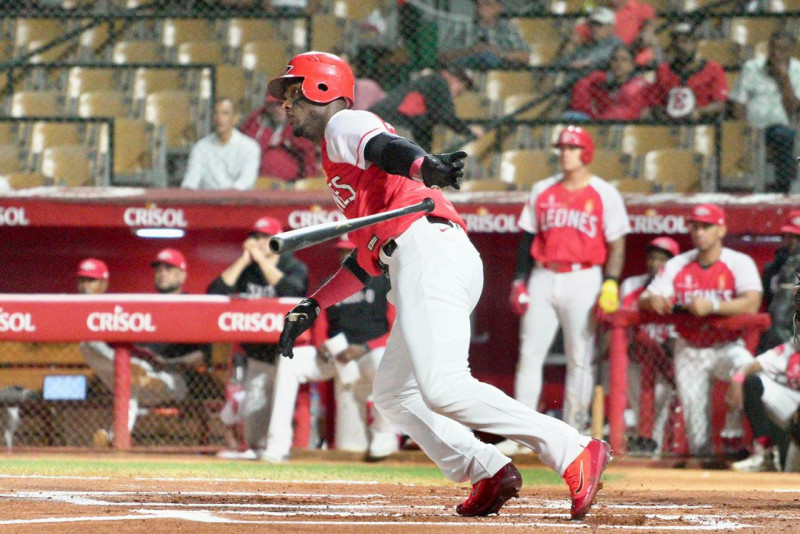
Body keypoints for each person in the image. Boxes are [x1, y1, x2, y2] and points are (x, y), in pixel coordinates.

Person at [269, 51, 610, 520]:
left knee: (444, 387)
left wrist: (421, 166)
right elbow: (366, 261)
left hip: (428, 250)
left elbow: (387, 147)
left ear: (323, 90)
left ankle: (572, 448)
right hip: (418, 254)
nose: (286, 104)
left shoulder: (343, 124)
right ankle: (485, 468)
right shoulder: (346, 171)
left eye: (294, 93)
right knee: (395, 394)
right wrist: (313, 303)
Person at [500, 125, 628, 446]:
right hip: (543, 275)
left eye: (572, 148)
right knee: (529, 355)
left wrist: (610, 283)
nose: (565, 154)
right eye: (562, 148)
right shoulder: (542, 189)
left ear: (587, 153)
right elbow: (527, 238)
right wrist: (519, 279)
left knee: (580, 357)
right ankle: (522, 435)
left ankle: (574, 434)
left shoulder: (604, 193)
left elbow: (617, 243)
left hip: (583, 276)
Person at [639, 204, 763, 458]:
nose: (699, 232)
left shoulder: (738, 262)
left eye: (706, 227)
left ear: (721, 230)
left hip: (728, 345)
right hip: (689, 347)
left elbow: (752, 301)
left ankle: (752, 444)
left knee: (751, 374)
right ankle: (706, 466)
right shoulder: (678, 264)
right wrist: (653, 300)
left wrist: (713, 306)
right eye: (695, 227)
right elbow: (645, 298)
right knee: (697, 434)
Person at [261, 237, 398, 463]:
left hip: (369, 354)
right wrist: (322, 346)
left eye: (351, 251)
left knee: (383, 359)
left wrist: (365, 347)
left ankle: (383, 435)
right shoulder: (331, 283)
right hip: (338, 356)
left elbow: (395, 330)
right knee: (290, 362)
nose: (347, 257)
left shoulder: (385, 282)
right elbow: (320, 326)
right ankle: (277, 444)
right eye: (343, 253)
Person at [81, 250, 212, 447]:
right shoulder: (146, 306)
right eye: (159, 269)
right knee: (88, 344)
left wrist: (168, 364)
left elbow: (203, 356)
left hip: (172, 377)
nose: (162, 273)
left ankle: (114, 437)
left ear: (183, 275)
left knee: (128, 385)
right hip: (139, 371)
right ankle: (116, 441)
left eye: (169, 268)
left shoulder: (194, 307)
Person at [209, 216, 311, 460]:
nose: (259, 242)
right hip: (257, 354)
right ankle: (257, 449)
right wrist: (243, 260)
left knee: (285, 405)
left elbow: (294, 291)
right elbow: (214, 293)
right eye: (256, 237)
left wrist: (264, 261)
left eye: (266, 237)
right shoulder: (248, 269)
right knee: (254, 424)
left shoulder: (293, 266)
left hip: (288, 354)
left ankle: (290, 449)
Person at [618, 237, 680, 454]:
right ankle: (646, 456)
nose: (655, 264)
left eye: (662, 260)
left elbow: (675, 339)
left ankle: (654, 457)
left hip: (664, 362)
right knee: (639, 411)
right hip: (636, 360)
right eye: (652, 258)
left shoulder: (680, 288)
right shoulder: (630, 285)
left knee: (659, 416)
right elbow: (622, 327)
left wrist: (666, 361)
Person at [730, 31, 800, 193]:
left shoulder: (798, 70)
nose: (776, 54)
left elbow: (793, 109)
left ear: (790, 51)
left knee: (783, 135)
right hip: (751, 128)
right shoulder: (751, 67)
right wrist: (742, 129)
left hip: (780, 128)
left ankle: (782, 191)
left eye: (782, 50)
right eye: (773, 48)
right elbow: (738, 105)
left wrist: (784, 79)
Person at [726, 331, 800, 472]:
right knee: (752, 380)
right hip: (793, 412)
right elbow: (756, 364)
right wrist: (737, 379)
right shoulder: (795, 345)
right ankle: (764, 452)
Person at [369, 67, 483, 153]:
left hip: (383, 123)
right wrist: (469, 131)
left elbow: (424, 124)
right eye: (462, 84)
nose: (461, 91)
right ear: (451, 77)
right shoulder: (439, 82)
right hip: (389, 124)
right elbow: (447, 116)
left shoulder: (431, 83)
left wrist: (427, 153)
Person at [642, 23, 728, 122]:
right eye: (677, 42)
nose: (680, 46)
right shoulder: (663, 69)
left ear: (696, 44)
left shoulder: (713, 69)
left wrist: (700, 112)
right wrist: (665, 116)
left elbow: (720, 104)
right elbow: (655, 103)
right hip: (670, 123)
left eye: (685, 41)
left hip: (701, 122)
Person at [180, 98, 261, 190]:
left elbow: (246, 181)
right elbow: (191, 180)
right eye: (216, 113)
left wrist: (227, 195)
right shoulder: (201, 147)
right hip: (207, 198)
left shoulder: (250, 147)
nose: (219, 118)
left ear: (235, 119)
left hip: (237, 198)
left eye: (225, 113)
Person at [239, 94, 320, 182]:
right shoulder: (255, 120)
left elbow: (308, 157)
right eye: (272, 105)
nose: (276, 109)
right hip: (252, 179)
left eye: (280, 105)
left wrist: (308, 182)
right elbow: (241, 147)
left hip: (289, 184)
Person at [437, 0, 531, 70]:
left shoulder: (508, 28)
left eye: (487, 4)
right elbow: (442, 57)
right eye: (478, 4)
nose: (481, 8)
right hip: (465, 74)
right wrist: (470, 51)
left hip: (498, 73)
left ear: (499, 8)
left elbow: (525, 57)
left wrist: (499, 53)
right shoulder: (460, 27)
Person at [567, 45, 650, 121]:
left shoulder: (638, 86)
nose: (618, 64)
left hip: (625, 125)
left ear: (632, 65)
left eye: (624, 60)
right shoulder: (600, 81)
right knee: (571, 116)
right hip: (598, 121)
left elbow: (627, 113)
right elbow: (579, 102)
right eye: (615, 59)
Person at [757, 210, 800, 353]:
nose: (794, 243)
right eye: (790, 236)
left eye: (799, 238)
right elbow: (764, 306)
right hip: (776, 339)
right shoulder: (772, 269)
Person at [571, 0, 657, 66]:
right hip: (605, 62)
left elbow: (650, 22)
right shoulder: (601, 11)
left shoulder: (639, 8)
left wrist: (648, 31)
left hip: (636, 62)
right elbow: (578, 34)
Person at [553, 8, 623, 72]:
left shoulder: (617, 44)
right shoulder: (588, 46)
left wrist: (585, 62)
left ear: (610, 27)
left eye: (599, 25)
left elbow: (604, 56)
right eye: (593, 24)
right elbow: (564, 62)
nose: (595, 28)